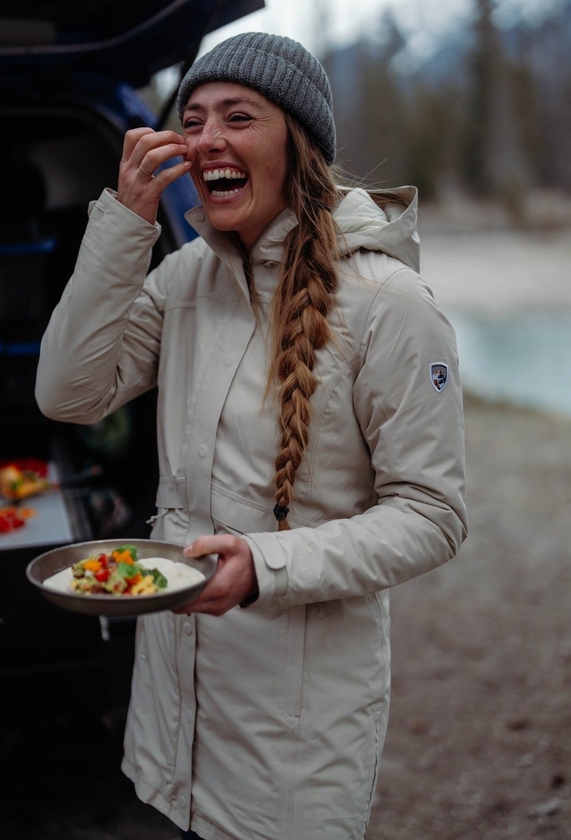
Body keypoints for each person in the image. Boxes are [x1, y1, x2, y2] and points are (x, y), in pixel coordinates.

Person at [35, 32, 467, 840]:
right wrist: (123, 228)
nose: (207, 140)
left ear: (297, 145)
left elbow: (434, 513)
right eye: (193, 120)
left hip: (295, 738)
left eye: (239, 116)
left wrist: (264, 567)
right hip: (174, 712)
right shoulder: (183, 278)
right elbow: (67, 393)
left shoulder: (393, 305)